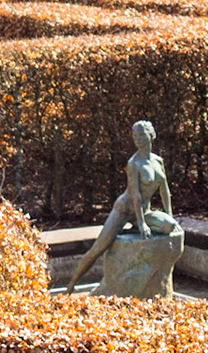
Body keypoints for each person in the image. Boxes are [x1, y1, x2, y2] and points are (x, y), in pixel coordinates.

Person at [68, 119, 177, 290]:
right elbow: (136, 196)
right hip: (125, 209)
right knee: (98, 248)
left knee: (169, 226)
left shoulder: (158, 161)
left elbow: (164, 190)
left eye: (141, 135)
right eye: (135, 135)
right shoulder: (134, 163)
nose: (138, 139)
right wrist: (141, 224)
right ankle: (71, 284)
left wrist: (170, 215)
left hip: (143, 210)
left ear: (151, 135)